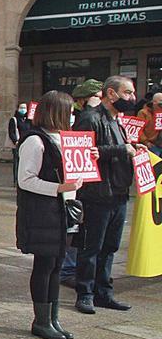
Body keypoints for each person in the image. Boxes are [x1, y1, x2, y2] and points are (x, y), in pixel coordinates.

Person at [72, 75, 148, 315]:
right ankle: (85, 293)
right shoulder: (90, 118)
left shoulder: (118, 121)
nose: (132, 98)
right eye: (127, 93)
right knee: (91, 247)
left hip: (119, 192)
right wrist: (121, 149)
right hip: (97, 195)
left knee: (110, 247)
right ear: (111, 94)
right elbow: (83, 154)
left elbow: (113, 149)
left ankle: (104, 292)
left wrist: (134, 148)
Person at [16, 91, 82, 339]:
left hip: (64, 211)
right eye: (70, 111)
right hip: (43, 213)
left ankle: (53, 318)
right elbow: (26, 179)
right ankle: (41, 320)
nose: (73, 116)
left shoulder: (64, 139)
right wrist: (57, 188)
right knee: (44, 266)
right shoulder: (35, 141)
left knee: (56, 265)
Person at [60, 79, 104, 288]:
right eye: (98, 97)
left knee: (79, 226)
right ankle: (68, 269)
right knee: (73, 223)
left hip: (88, 182)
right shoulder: (84, 118)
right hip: (75, 182)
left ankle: (73, 267)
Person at [8, 102, 32, 187]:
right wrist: (16, 141)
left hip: (27, 144)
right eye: (21, 107)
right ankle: (16, 180)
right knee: (17, 162)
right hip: (18, 144)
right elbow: (11, 132)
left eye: (25, 108)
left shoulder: (29, 120)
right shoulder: (14, 119)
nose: (23, 109)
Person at [137, 91, 162, 157]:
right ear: (154, 102)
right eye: (160, 103)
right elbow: (139, 129)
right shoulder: (143, 113)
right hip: (150, 144)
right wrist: (146, 142)